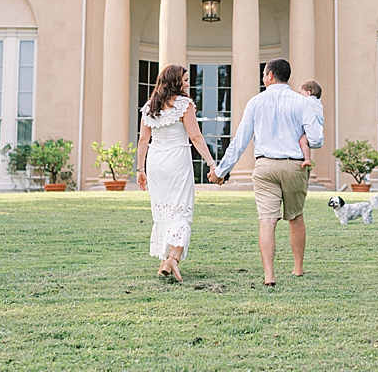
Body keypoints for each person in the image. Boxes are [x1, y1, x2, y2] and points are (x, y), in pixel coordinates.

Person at [213, 58, 323, 286]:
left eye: (264, 74)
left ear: (270, 76)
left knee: (266, 220)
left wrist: (222, 170)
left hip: (264, 166)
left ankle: (269, 276)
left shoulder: (255, 102)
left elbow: (241, 140)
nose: (263, 78)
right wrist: (305, 139)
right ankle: (298, 268)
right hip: (294, 165)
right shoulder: (302, 102)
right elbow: (317, 139)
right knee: (295, 216)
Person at [136, 64, 219, 283]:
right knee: (180, 210)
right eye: (185, 79)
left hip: (155, 162)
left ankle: (167, 259)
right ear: (176, 81)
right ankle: (172, 258)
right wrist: (212, 163)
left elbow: (143, 140)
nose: (188, 83)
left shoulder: (149, 107)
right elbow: (196, 137)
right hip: (176, 162)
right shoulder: (184, 105)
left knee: (164, 211)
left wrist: (140, 169)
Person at [296, 80, 324, 171]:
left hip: (313, 129)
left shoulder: (307, 101)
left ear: (308, 93)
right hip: (317, 129)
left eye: (300, 92)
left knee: (302, 141)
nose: (298, 95)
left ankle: (307, 159)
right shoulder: (317, 103)